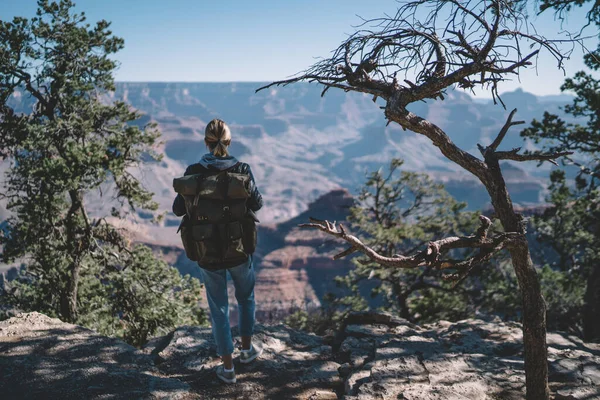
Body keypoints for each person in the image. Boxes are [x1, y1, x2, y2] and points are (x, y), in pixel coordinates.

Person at [172, 118, 263, 384]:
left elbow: (178, 209)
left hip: (207, 249)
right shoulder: (243, 169)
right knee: (246, 298)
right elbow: (256, 203)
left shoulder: (194, 170)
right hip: (238, 247)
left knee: (219, 309)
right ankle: (247, 351)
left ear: (206, 142)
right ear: (229, 142)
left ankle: (228, 368)